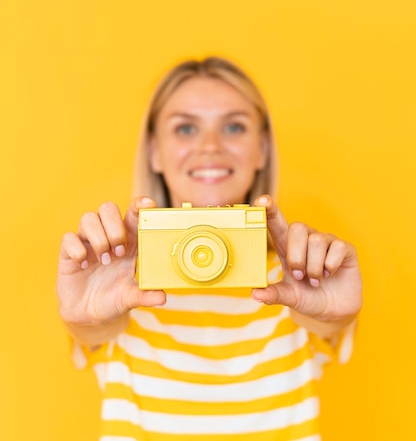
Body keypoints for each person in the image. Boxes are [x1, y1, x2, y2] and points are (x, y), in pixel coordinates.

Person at [57, 56, 362, 441]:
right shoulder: (117, 280)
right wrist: (86, 320)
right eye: (185, 128)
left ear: (262, 149)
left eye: (234, 126)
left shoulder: (300, 277)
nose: (210, 147)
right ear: (154, 151)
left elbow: (325, 321)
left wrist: (334, 317)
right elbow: (93, 330)